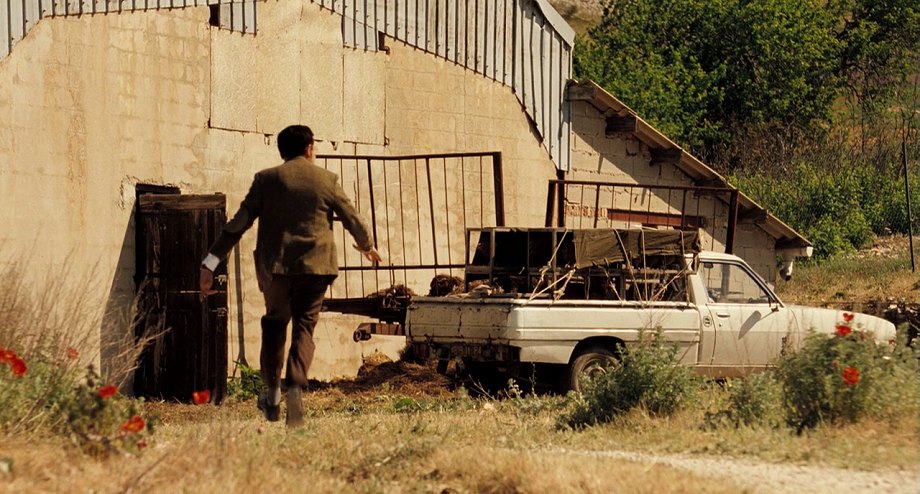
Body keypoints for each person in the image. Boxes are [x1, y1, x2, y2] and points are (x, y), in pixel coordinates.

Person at [199, 125, 381, 427]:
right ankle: (295, 385)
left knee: (274, 324)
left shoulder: (266, 180)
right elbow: (353, 218)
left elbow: (239, 222)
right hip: (316, 267)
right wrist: (367, 246)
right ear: (309, 148)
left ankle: (272, 392)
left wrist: (211, 261)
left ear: (281, 151)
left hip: (277, 269)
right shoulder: (327, 180)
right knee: (304, 329)